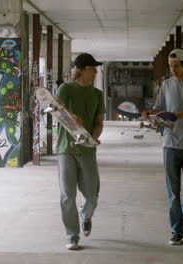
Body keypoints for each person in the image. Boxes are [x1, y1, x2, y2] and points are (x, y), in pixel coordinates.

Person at [142, 48, 183, 245]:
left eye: (177, 66)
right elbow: (160, 108)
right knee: (173, 192)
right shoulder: (167, 84)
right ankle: (176, 230)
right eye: (171, 66)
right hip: (170, 144)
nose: (174, 70)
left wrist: (175, 116)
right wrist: (149, 113)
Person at [55, 53, 105, 250]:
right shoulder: (66, 88)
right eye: (93, 68)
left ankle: (86, 216)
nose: (95, 72)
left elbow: (99, 122)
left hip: (87, 149)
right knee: (67, 194)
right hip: (66, 148)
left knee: (92, 194)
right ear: (83, 69)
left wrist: (93, 137)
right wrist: (72, 117)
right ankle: (72, 235)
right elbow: (56, 110)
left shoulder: (97, 94)